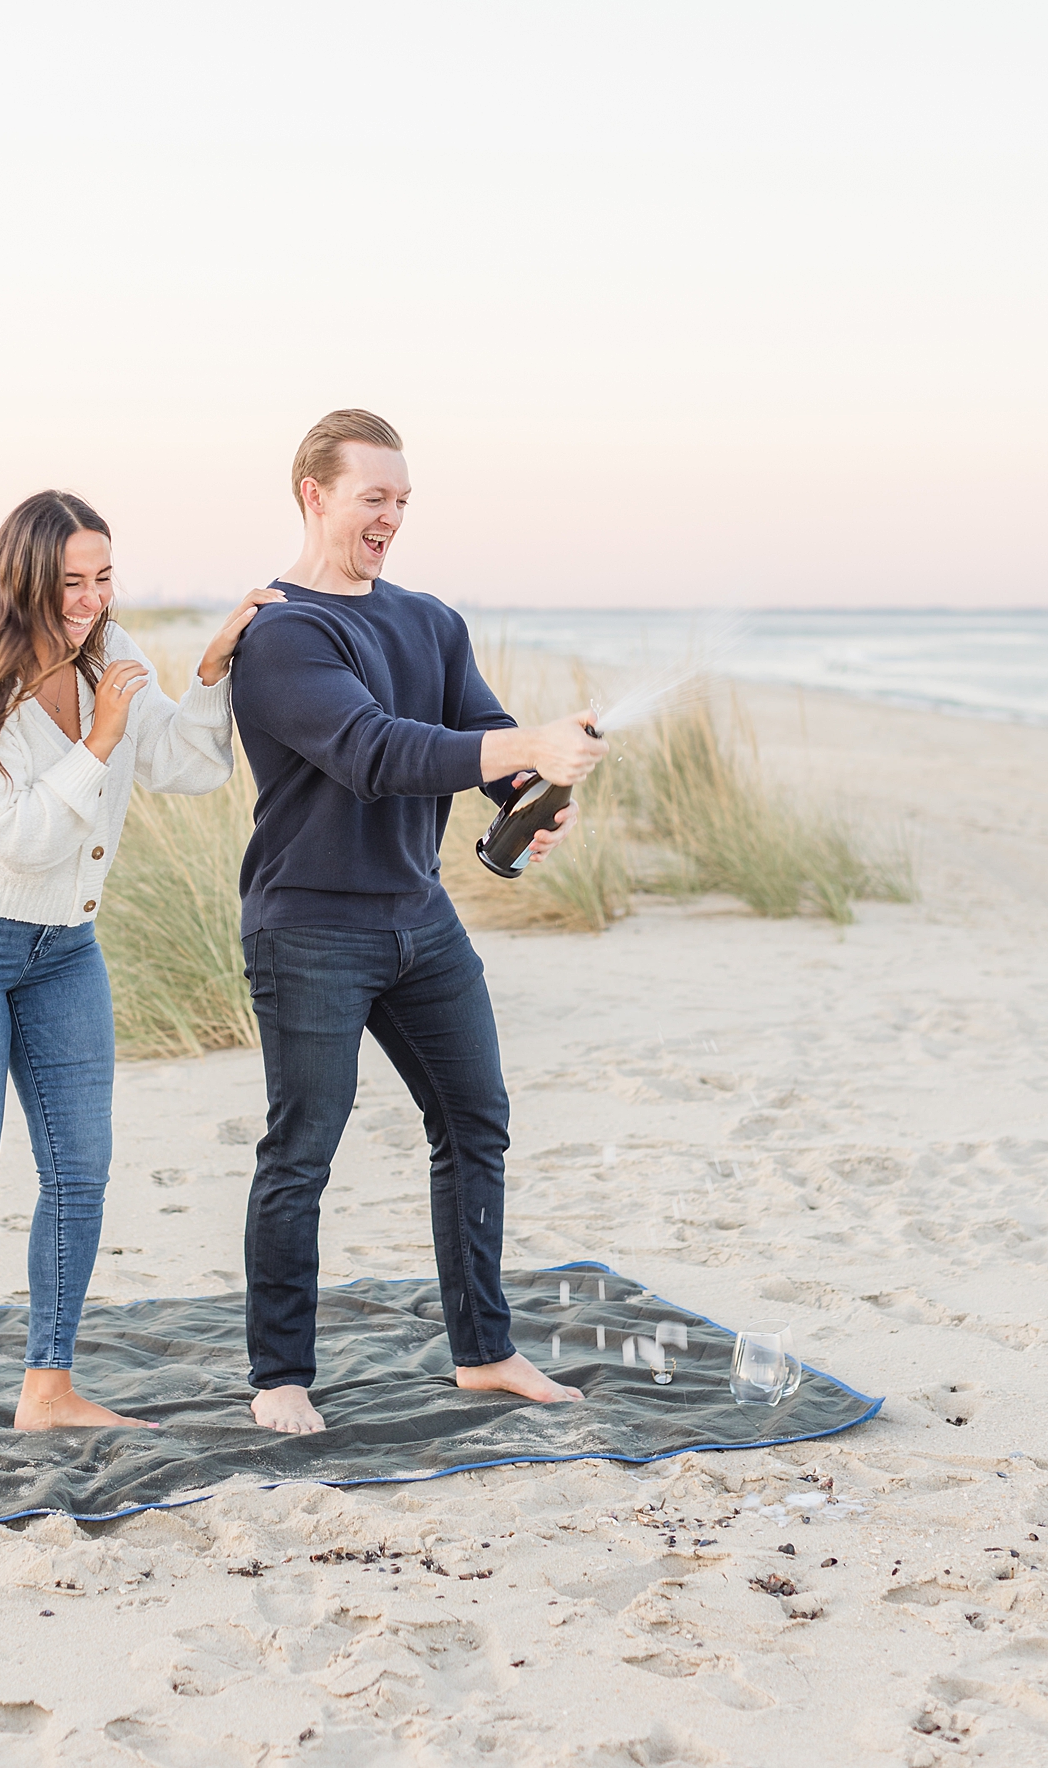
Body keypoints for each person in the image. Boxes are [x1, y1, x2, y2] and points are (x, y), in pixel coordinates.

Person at [0, 488, 280, 1445]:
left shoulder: (117, 652)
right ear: (21, 581)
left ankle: (46, 1386)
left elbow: (192, 765)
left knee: (81, 1170)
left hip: (63, 949)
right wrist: (97, 740)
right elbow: (17, 839)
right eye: (69, 585)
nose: (91, 601)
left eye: (103, 579)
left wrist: (212, 674)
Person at [229, 410, 608, 1434]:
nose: (391, 518)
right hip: (307, 926)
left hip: (419, 920)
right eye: (373, 499)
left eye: (402, 501)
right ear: (316, 495)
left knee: (475, 1121)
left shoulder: (431, 619)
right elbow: (376, 750)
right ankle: (279, 1378)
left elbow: (475, 733)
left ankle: (484, 1353)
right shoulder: (283, 634)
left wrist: (532, 785)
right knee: (303, 1148)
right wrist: (521, 744)